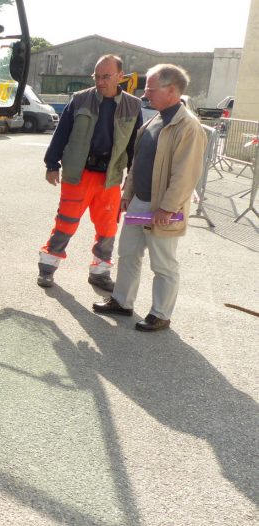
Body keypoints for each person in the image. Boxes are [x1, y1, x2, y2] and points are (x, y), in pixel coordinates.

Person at [93, 64, 207, 331]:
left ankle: (161, 314)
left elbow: (185, 174)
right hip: (139, 202)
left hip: (162, 208)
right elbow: (138, 162)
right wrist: (127, 194)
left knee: (163, 263)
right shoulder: (155, 119)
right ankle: (122, 301)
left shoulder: (188, 126)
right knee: (128, 253)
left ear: (171, 90)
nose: (146, 94)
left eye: (151, 89)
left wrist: (167, 208)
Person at [37, 54, 143, 291]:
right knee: (66, 222)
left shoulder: (133, 106)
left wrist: (131, 180)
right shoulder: (79, 100)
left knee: (108, 228)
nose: (100, 81)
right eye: (97, 76)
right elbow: (61, 133)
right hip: (79, 174)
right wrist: (52, 164)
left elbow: (133, 146)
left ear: (120, 77)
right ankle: (47, 268)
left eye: (106, 76)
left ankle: (100, 273)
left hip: (110, 178)